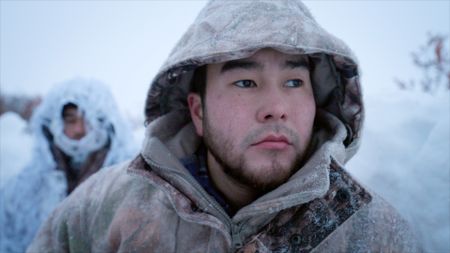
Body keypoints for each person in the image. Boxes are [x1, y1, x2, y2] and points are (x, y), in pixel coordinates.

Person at [28, 1, 419, 252]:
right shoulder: (102, 211)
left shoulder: (374, 234)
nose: (276, 108)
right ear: (197, 111)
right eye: (245, 82)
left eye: (294, 82)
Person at [0, 78, 137, 253]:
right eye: (71, 120)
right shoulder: (26, 187)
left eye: (89, 120)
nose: (80, 129)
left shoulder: (131, 176)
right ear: (54, 123)